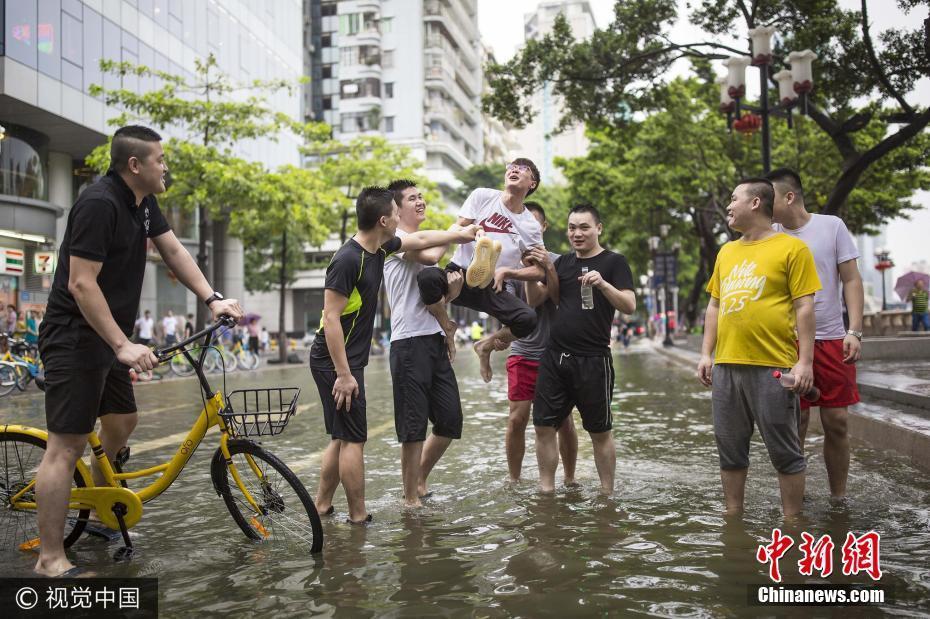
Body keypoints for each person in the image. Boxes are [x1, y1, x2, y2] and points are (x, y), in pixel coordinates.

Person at [34, 125, 243, 577]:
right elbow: (80, 282)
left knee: (124, 420)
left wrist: (212, 299)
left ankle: (97, 500)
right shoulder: (99, 204)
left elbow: (174, 252)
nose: (165, 167)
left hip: (107, 340)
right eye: (160, 160)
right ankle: (49, 559)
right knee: (64, 446)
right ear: (135, 165)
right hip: (74, 337)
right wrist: (123, 344)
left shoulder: (142, 203)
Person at [310, 186, 478, 524]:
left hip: (348, 358)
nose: (403, 217)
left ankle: (322, 506)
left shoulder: (380, 247)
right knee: (354, 439)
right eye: (397, 213)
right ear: (385, 219)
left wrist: (460, 233)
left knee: (341, 436)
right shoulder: (347, 259)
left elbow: (422, 240)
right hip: (335, 359)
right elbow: (330, 319)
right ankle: (358, 517)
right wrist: (344, 374)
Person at [696, 178, 821, 517]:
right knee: (731, 450)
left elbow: (804, 308)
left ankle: (792, 522)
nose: (728, 205)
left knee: (785, 451)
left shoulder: (792, 249)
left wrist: (805, 362)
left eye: (734, 198)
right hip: (726, 366)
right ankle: (733, 517)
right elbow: (715, 306)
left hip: (773, 366)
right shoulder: (726, 251)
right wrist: (707, 354)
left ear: (755, 203)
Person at [768, 168, 864, 501]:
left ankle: (838, 497)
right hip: (786, 344)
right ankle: (798, 497)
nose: (763, 205)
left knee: (837, 421)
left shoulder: (831, 226)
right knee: (795, 421)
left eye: (770, 198)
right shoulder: (769, 235)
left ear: (789, 197)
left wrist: (854, 330)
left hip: (832, 339)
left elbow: (851, 279)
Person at [532, 205, 636, 494]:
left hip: (593, 360)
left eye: (584, 227)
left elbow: (629, 305)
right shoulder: (563, 263)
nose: (577, 233)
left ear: (599, 228)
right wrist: (539, 269)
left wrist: (603, 284)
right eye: (572, 228)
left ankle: (607, 494)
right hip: (555, 357)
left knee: (599, 431)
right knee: (543, 425)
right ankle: (546, 490)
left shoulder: (615, 262)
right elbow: (547, 299)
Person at [416, 159, 546, 382]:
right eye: (511, 166)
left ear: (531, 183)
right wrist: (467, 232)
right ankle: (448, 326)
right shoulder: (482, 196)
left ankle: (485, 346)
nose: (514, 169)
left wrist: (508, 272)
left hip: (493, 285)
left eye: (522, 168)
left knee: (528, 319)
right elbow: (456, 227)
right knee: (427, 276)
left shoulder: (530, 225)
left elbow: (539, 271)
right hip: (459, 273)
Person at [384, 179, 466, 507]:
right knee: (413, 427)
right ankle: (409, 500)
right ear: (396, 209)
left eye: (421, 196)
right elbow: (430, 253)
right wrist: (457, 229)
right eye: (412, 198)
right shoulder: (396, 240)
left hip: (433, 339)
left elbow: (437, 296)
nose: (420, 202)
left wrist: (454, 293)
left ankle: (419, 477)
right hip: (407, 344)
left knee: (450, 420)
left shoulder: (420, 239)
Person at [505, 202, 578, 485]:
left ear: (543, 228)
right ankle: (515, 479)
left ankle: (570, 479)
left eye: (532, 225)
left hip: (557, 354)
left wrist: (542, 266)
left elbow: (542, 299)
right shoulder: (508, 268)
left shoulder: (560, 262)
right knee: (516, 420)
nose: (526, 231)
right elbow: (516, 309)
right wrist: (523, 268)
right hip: (523, 352)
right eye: (520, 225)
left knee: (564, 421)